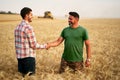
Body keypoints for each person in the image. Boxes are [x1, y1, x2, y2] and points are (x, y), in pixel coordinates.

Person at [14, 7, 46, 77]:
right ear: (26, 15)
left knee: (22, 77)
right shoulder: (28, 28)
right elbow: (33, 45)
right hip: (28, 59)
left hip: (19, 58)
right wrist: (45, 46)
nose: (32, 16)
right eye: (31, 15)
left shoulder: (17, 27)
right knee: (30, 78)